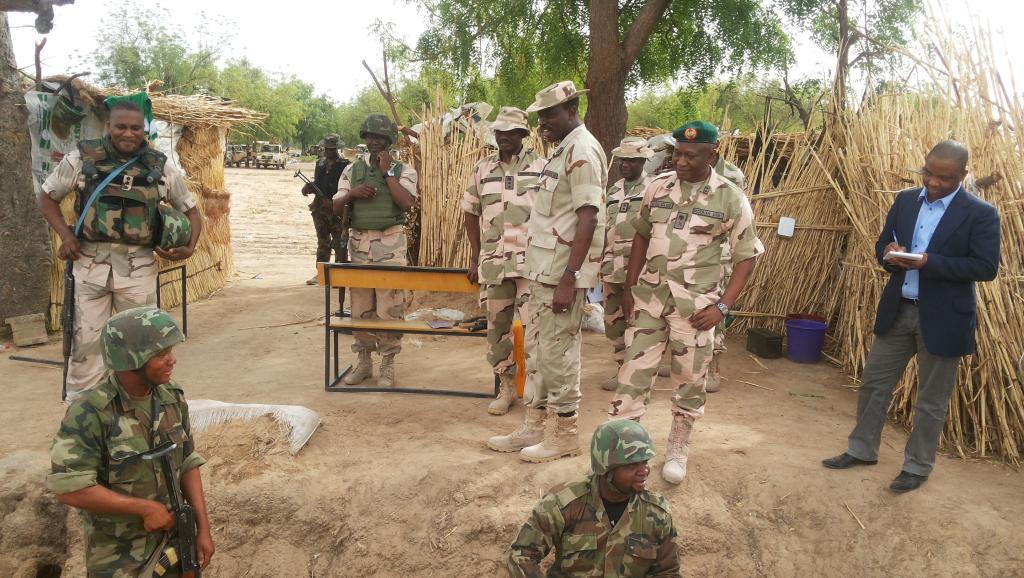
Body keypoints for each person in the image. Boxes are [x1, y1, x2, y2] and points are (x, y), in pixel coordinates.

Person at [822, 140, 1000, 493]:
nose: (933, 182)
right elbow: (881, 244)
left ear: (963, 176)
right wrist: (889, 252)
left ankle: (917, 466)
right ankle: (862, 449)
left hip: (944, 318)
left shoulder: (980, 213)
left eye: (944, 178)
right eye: (928, 173)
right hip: (899, 309)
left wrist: (927, 262)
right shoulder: (905, 200)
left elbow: (985, 267)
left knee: (931, 399)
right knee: (874, 384)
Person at [609, 121, 764, 484]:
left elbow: (747, 256)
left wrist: (723, 306)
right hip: (650, 299)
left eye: (690, 155)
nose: (680, 160)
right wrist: (631, 285)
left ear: (712, 155)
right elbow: (642, 237)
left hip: (696, 308)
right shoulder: (657, 187)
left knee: (690, 379)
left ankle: (678, 444)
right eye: (677, 152)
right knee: (632, 374)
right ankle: (625, 447)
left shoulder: (729, 197)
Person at [37, 99, 202, 403]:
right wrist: (66, 237)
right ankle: (84, 420)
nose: (128, 133)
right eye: (121, 127)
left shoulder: (159, 165)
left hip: (138, 268)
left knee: (143, 346)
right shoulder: (82, 158)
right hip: (88, 264)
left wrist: (189, 247)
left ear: (144, 129)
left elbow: (191, 211)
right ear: (109, 127)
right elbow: (47, 198)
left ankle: (141, 416)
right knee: (86, 346)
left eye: (135, 127)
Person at [487, 81, 607, 463]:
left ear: (572, 109)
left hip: (560, 276)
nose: (543, 125)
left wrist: (570, 278)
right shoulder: (562, 151)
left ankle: (565, 434)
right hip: (542, 271)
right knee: (538, 352)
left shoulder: (582, 152)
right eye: (540, 118)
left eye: (549, 116)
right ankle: (534, 427)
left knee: (559, 355)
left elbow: (588, 217)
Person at [46, 306, 214, 575]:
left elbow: (187, 462)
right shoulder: (91, 413)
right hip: (119, 558)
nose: (172, 360)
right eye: (161, 354)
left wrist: (203, 528)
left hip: (175, 541)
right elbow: (69, 487)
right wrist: (145, 509)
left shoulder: (171, 397)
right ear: (131, 360)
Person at [507, 420, 680, 577]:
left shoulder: (656, 513)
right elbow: (521, 555)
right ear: (606, 470)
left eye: (645, 462)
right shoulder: (562, 504)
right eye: (632, 465)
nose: (644, 471)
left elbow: (668, 572)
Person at [461, 107, 546, 415]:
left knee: (536, 329)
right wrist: (476, 255)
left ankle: (537, 391)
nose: (503, 137)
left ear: (523, 134)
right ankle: (506, 388)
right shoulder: (482, 168)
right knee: (497, 331)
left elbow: (555, 213)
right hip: (494, 263)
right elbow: (470, 212)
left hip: (532, 265)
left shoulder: (542, 166)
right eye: (499, 132)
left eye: (511, 132)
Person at [331, 114, 418, 388]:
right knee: (360, 307)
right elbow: (335, 206)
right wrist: (353, 194)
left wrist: (387, 173)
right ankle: (364, 363)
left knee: (389, 306)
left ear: (388, 141)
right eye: (370, 137)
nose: (374, 142)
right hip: (360, 245)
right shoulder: (352, 171)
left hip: (390, 244)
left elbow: (406, 203)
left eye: (379, 138)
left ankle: (387, 365)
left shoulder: (404, 170)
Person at [600, 137, 655, 391]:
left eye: (632, 160)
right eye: (623, 159)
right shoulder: (614, 190)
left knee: (641, 324)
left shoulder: (653, 189)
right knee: (613, 323)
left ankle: (637, 377)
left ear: (644, 161)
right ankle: (621, 369)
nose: (625, 164)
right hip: (612, 269)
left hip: (641, 271)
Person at [704, 153, 748, 393]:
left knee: (714, 308)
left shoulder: (732, 175)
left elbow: (737, 213)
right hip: (692, 253)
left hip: (720, 254)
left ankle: (713, 367)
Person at [304, 134, 350, 287]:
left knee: (339, 242)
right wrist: (309, 187)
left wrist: (334, 202)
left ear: (337, 148)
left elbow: (347, 187)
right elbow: (318, 182)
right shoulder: (320, 163)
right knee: (322, 241)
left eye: (332, 149)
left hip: (337, 209)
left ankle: (339, 274)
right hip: (319, 209)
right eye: (327, 149)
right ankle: (321, 273)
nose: (329, 152)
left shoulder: (345, 165)